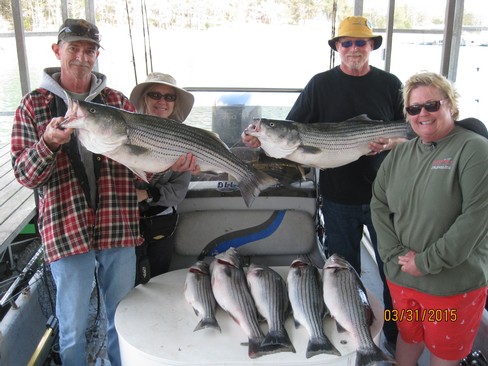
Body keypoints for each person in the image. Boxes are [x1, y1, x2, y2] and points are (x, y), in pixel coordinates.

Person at [241, 15, 405, 349]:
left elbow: (410, 132)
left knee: (392, 271)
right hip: (339, 197)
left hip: (385, 196)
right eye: (347, 43)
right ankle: (353, 335)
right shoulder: (320, 84)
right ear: (337, 48)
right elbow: (290, 128)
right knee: (343, 271)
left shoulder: (390, 84)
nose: (354, 49)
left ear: (372, 45)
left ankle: (394, 333)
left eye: (361, 42)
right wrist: (261, 139)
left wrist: (392, 142)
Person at [10, 19, 141, 366]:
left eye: (89, 50)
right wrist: (48, 144)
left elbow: (142, 166)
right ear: (57, 51)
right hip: (65, 229)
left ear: (97, 55)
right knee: (72, 325)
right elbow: (25, 174)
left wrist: (176, 162)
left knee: (121, 318)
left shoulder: (118, 101)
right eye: (74, 49)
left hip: (118, 226)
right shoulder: (33, 105)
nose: (82, 57)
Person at [371, 71, 488, 365]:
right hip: (402, 281)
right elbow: (379, 204)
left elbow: (475, 219)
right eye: (414, 108)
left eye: (432, 105)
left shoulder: (475, 150)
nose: (422, 114)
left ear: (450, 104)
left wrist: (425, 262)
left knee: (443, 355)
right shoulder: (400, 154)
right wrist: (392, 255)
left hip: (450, 288)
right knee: (408, 338)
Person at [129, 72, 199, 280]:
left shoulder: (186, 136)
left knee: (158, 279)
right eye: (155, 95)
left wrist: (145, 193)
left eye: (170, 97)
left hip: (161, 222)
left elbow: (178, 192)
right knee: (129, 283)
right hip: (126, 221)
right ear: (144, 99)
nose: (162, 101)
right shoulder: (130, 129)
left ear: (175, 103)